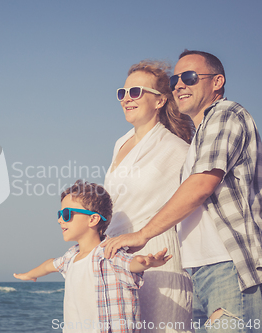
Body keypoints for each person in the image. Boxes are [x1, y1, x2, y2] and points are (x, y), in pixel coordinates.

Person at [103, 50, 262, 333]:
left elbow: (200, 186)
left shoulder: (225, 115)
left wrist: (142, 234)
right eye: (176, 79)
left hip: (228, 264)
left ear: (217, 82)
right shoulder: (200, 135)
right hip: (204, 268)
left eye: (189, 77)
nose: (179, 84)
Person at [104, 60, 195, 332]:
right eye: (123, 92)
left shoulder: (177, 149)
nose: (126, 99)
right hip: (117, 258)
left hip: (159, 259)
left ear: (159, 101)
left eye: (136, 92)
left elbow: (194, 198)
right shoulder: (120, 143)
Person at [14, 180, 172, 333]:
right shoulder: (70, 257)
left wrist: (147, 263)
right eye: (60, 213)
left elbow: (129, 264)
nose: (60, 219)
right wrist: (30, 274)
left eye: (67, 214)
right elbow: (50, 265)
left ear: (93, 219)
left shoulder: (107, 252)